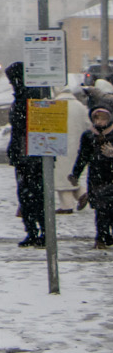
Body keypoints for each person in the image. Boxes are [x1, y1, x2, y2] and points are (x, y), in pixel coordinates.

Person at [5, 62, 45, 247]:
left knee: (34, 195)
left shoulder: (29, 96)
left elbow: (24, 127)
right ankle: (34, 231)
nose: (10, 83)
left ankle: (40, 231)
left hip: (32, 154)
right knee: (28, 196)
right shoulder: (25, 94)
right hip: (26, 154)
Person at [69, 106, 113, 249]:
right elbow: (83, 156)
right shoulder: (89, 135)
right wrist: (75, 174)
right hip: (97, 178)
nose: (100, 122)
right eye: (97, 118)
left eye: (103, 118)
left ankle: (105, 237)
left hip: (111, 177)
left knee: (109, 209)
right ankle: (102, 238)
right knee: (101, 209)